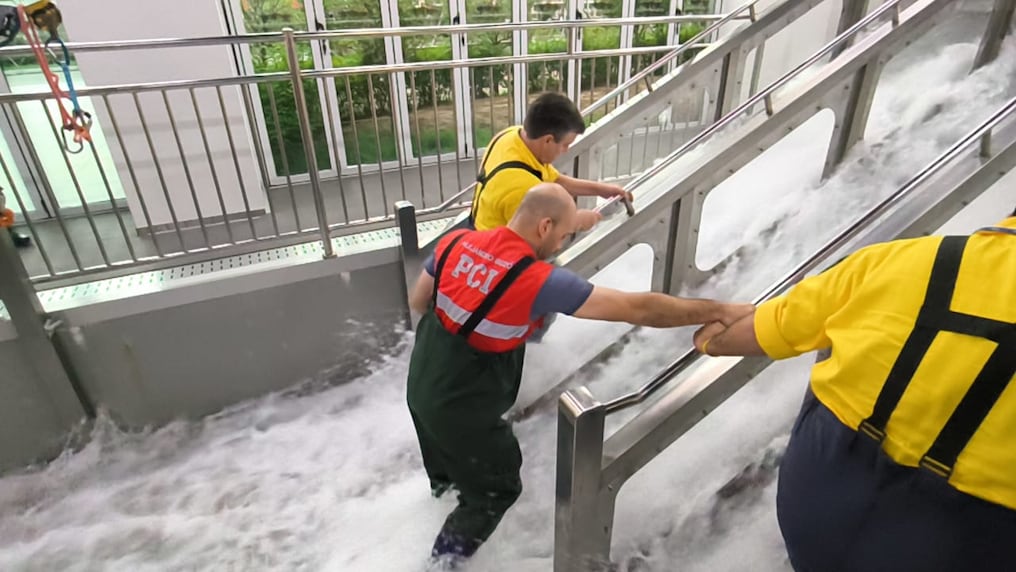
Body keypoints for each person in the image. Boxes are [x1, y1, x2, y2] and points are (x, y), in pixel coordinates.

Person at [406, 182, 752, 568]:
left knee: (447, 474)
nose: (560, 246)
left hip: (421, 383)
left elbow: (420, 302)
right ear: (544, 227)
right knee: (495, 490)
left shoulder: (457, 241)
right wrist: (716, 309)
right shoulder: (537, 280)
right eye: (563, 236)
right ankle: (440, 564)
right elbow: (638, 309)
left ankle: (441, 505)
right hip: (462, 406)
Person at [691, 206, 1016, 571]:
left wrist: (707, 337)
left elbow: (736, 336)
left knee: (841, 329)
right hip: (965, 538)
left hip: (819, 494)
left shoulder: (903, 257)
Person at [469, 92, 633, 233]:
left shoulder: (510, 136)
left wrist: (601, 189)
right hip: (496, 257)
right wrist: (582, 220)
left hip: (479, 228)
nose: (566, 150)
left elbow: (554, 179)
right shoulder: (523, 188)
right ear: (548, 140)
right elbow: (544, 235)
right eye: (564, 144)